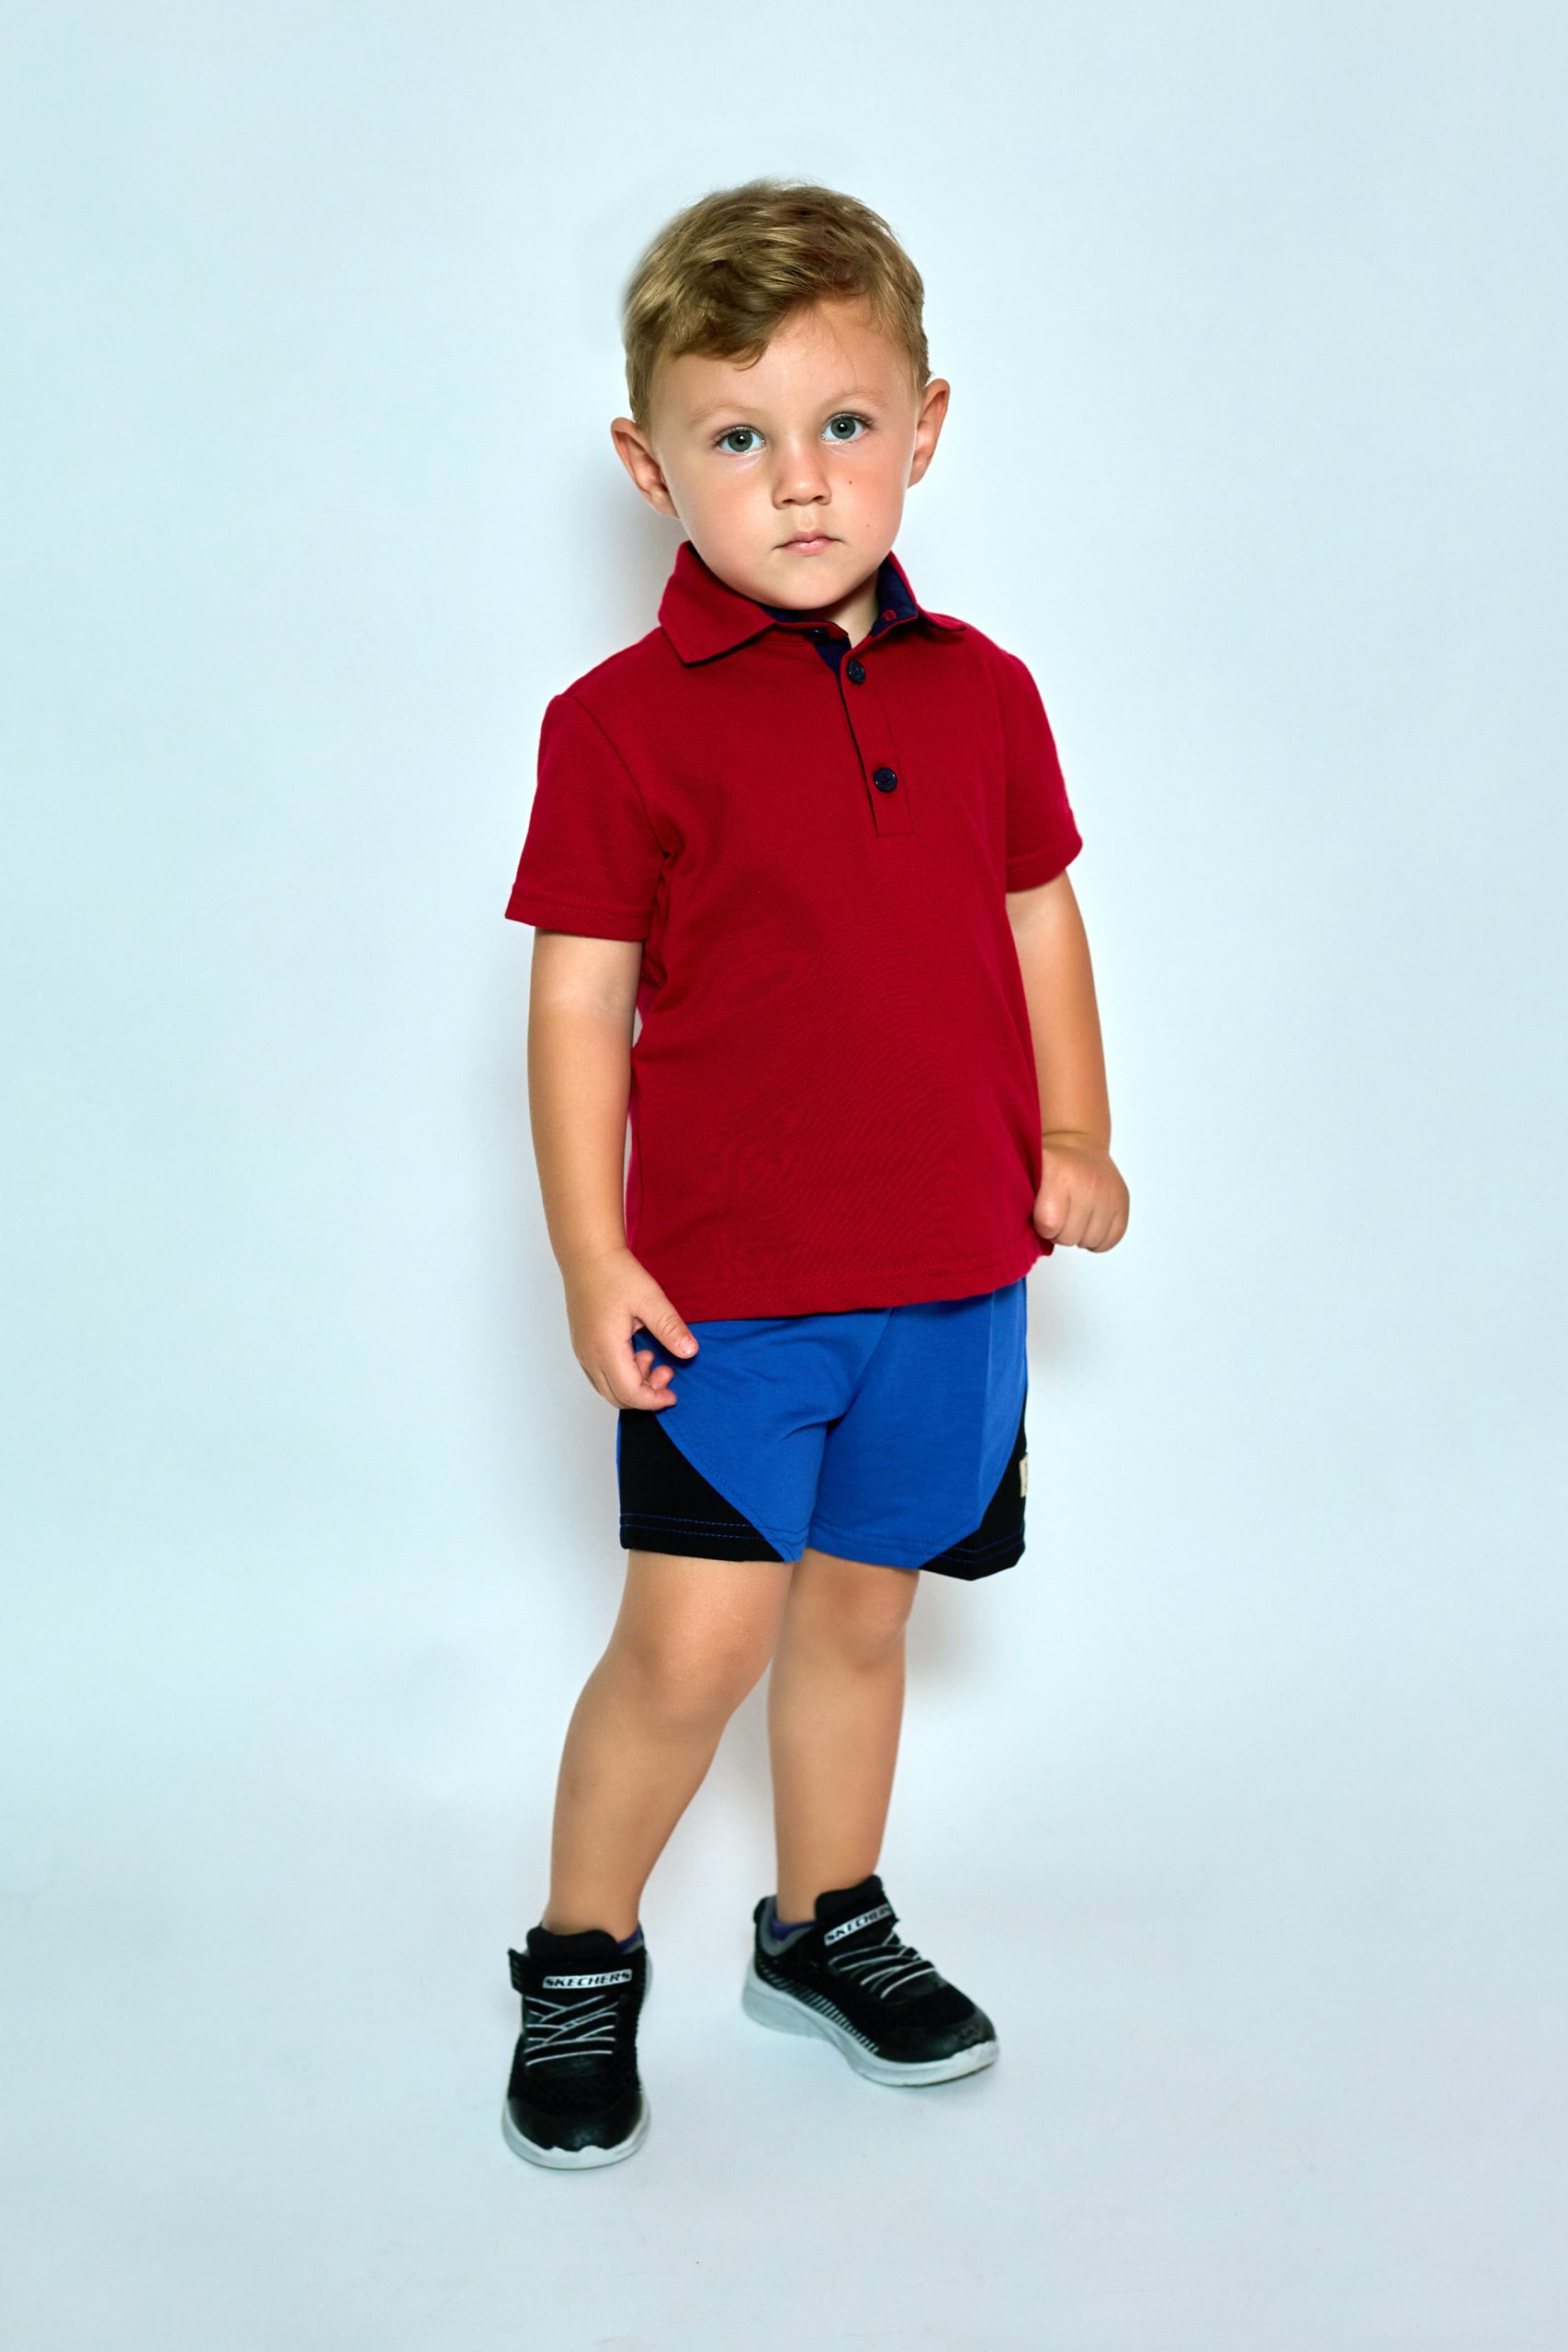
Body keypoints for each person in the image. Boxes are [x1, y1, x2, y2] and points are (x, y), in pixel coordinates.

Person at [497, 177, 1129, 2169]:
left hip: (951, 1274)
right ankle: (581, 1956)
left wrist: (1076, 1130)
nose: (796, 480)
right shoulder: (615, 730)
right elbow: (576, 1007)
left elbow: (1036, 917)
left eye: (842, 424)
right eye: (736, 435)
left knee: (863, 1617)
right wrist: (589, 1251)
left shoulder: (986, 691)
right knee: (691, 1647)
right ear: (648, 463)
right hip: (730, 1302)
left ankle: (820, 1922)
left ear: (922, 428)